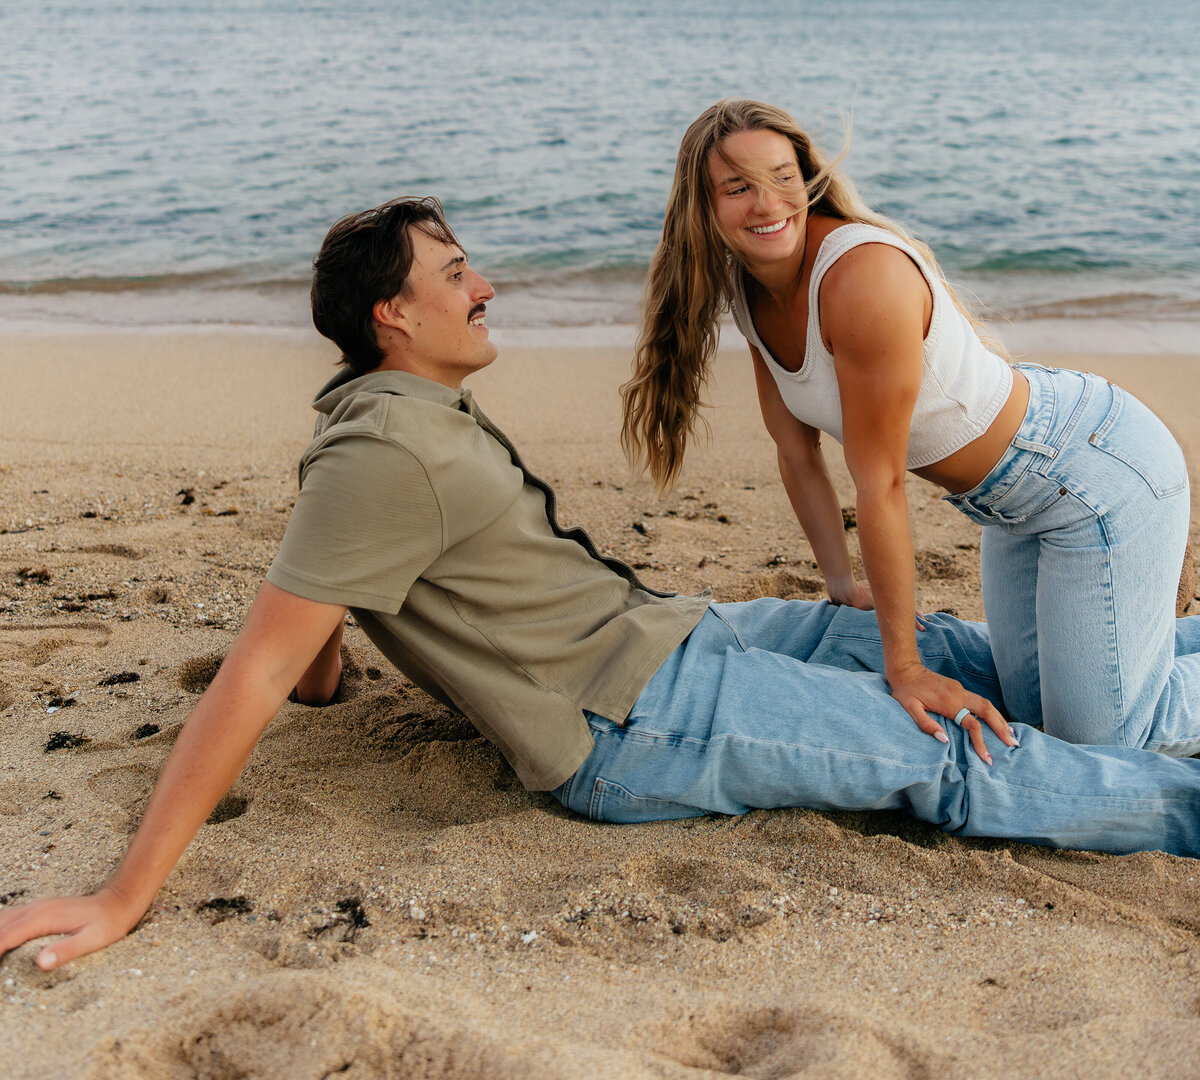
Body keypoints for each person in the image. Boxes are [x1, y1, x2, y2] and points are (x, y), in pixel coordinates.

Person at [7, 197, 1200, 979]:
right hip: (629, 721)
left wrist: (328, 667)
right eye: (456, 273)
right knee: (952, 753)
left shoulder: (385, 412)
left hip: (669, 634)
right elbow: (264, 660)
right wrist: (121, 897)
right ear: (393, 314)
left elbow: (316, 610)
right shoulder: (381, 449)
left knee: (957, 659)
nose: (485, 285)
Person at [622, 98, 1199, 754]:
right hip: (1011, 508)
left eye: (783, 178)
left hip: (1093, 475)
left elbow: (882, 484)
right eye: (738, 188)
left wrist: (906, 668)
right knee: (1036, 713)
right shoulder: (752, 291)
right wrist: (840, 582)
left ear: (807, 179)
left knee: (1105, 738)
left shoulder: (861, 279)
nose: (768, 203)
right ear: (702, 206)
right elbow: (796, 453)